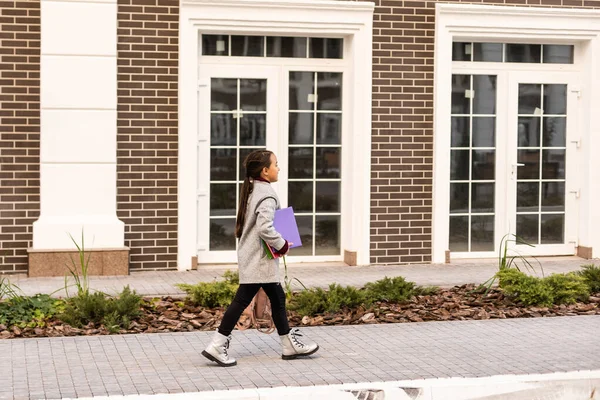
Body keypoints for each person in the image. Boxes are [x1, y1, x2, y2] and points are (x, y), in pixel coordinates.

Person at [202, 150, 319, 367]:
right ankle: (217, 345)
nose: (279, 168)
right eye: (276, 164)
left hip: (254, 256)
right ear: (265, 171)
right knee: (242, 301)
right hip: (259, 259)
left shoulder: (253, 189)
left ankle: (288, 345)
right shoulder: (267, 194)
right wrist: (282, 244)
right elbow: (265, 227)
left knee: (277, 298)